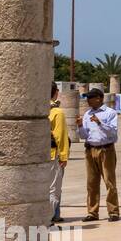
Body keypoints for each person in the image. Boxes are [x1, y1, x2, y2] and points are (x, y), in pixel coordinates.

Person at [77, 87, 120, 221]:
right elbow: (85, 135)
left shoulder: (110, 113)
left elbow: (113, 132)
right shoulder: (87, 114)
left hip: (106, 150)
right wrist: (80, 126)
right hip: (90, 150)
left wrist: (100, 123)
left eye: (91, 98)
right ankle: (92, 212)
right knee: (91, 183)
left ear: (99, 98)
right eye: (87, 98)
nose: (88, 101)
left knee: (109, 182)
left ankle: (113, 212)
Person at [48, 83, 69, 225]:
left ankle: (55, 214)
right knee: (53, 188)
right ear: (56, 92)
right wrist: (63, 156)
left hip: (37, 156)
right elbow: (60, 136)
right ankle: (48, 217)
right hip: (53, 155)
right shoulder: (57, 112)